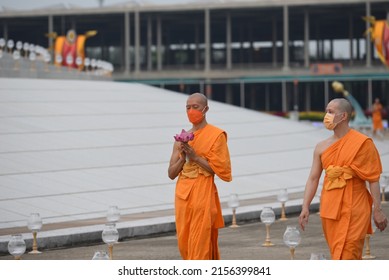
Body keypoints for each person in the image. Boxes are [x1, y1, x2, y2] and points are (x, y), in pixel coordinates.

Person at [298, 98, 388, 260]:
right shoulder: (321, 146)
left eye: (331, 112)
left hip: (355, 207)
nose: (327, 115)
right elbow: (313, 178)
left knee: (349, 253)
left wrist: (377, 210)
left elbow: (373, 179)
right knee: (337, 253)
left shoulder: (362, 143)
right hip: (330, 209)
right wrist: (305, 206)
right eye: (326, 111)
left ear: (343, 116)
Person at [168, 92, 232, 260]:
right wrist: (183, 157)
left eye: (195, 107)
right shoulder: (180, 139)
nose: (191, 111)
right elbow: (171, 174)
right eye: (188, 108)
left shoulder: (216, 135)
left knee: (201, 241)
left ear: (205, 109)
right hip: (183, 195)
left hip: (203, 192)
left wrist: (195, 157)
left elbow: (221, 170)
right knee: (184, 241)